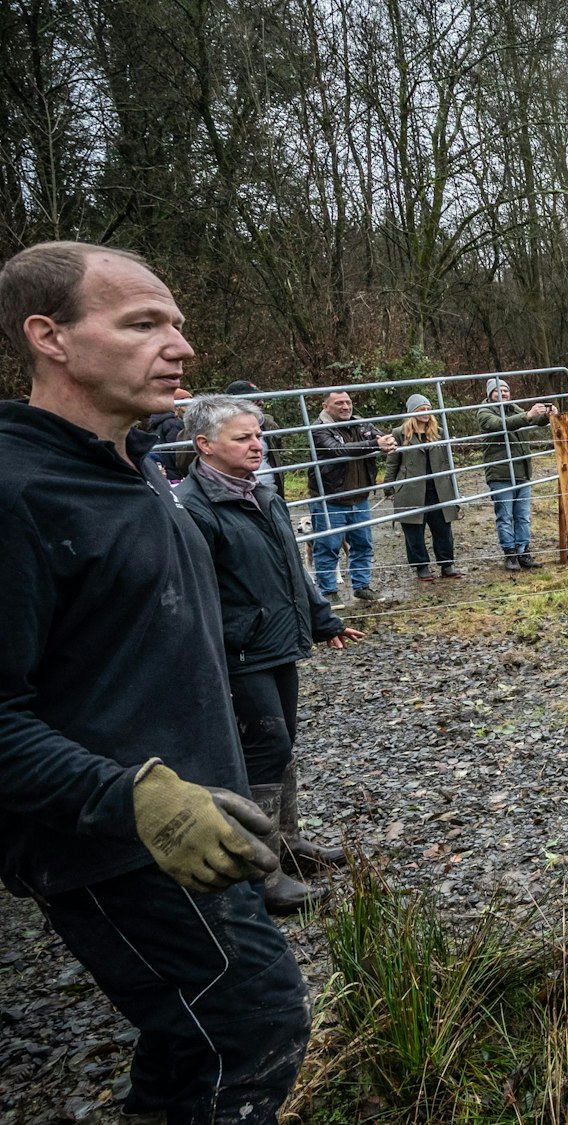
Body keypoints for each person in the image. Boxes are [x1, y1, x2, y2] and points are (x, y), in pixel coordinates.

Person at [0, 241, 309, 1123]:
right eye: (142, 324)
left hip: (201, 821)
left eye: (176, 323)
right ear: (48, 336)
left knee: (197, 1033)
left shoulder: (136, 469)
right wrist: (138, 797)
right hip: (112, 839)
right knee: (253, 1025)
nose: (180, 346)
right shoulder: (17, 491)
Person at [175, 394, 363, 914]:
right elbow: (196, 591)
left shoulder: (264, 492)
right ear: (205, 445)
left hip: (278, 639)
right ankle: (263, 873)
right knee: (262, 748)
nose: (257, 445)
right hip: (238, 651)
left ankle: (289, 843)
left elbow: (289, 564)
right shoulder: (193, 508)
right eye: (243, 438)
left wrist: (322, 620)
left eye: (258, 436)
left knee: (284, 743)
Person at [307, 389, 395, 603]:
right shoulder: (319, 430)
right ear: (325, 406)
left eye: (348, 402)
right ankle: (328, 592)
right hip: (330, 499)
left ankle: (362, 586)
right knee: (328, 547)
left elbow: (380, 437)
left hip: (359, 497)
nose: (346, 407)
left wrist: (387, 442)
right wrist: (375, 445)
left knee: (363, 544)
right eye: (339, 403)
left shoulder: (361, 423)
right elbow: (338, 450)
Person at [474, 378, 551, 571]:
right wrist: (528, 415)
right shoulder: (484, 412)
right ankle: (510, 554)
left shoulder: (514, 408)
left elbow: (533, 420)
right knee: (505, 515)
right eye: (498, 391)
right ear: (489, 394)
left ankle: (524, 551)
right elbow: (500, 424)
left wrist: (548, 416)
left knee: (523, 515)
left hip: (522, 472)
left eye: (506, 390)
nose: (503, 393)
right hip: (500, 474)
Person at [383, 393, 462, 580]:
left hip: (438, 488)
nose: (426, 413)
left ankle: (446, 564)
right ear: (412, 412)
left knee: (443, 528)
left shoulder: (439, 432)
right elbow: (392, 462)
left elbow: (448, 461)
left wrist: (454, 488)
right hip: (411, 490)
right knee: (414, 531)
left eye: (428, 409)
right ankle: (421, 566)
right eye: (421, 410)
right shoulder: (399, 433)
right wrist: (389, 487)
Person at [223, 379, 282, 479]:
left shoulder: (268, 424)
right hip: (236, 490)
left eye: (260, 398)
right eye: (253, 399)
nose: (261, 402)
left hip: (270, 490)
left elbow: (277, 451)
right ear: (235, 402)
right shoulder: (217, 428)